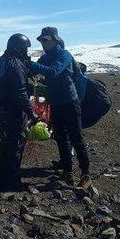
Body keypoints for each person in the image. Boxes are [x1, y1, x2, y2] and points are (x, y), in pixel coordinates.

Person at [30, 27, 91, 188]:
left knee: (76, 138)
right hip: (56, 104)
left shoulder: (64, 55)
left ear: (55, 40)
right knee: (61, 139)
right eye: (41, 40)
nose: (42, 43)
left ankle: (85, 175)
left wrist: (30, 64)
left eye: (45, 40)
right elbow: (34, 71)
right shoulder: (45, 58)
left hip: (70, 102)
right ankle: (68, 172)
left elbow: (53, 72)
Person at [0, 34, 39, 189]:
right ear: (18, 48)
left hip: (3, 110)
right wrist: (31, 112)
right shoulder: (15, 64)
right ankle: (12, 181)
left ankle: (0, 178)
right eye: (25, 48)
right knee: (16, 144)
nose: (26, 51)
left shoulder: (3, 61)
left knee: (6, 144)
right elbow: (20, 91)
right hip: (14, 111)